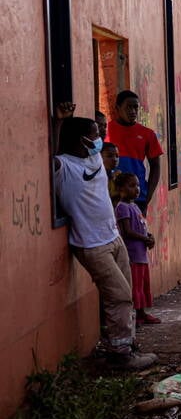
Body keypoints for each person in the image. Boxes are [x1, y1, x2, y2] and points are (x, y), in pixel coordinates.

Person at [52, 103, 157, 370]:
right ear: (80, 140)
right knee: (120, 295)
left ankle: (126, 344)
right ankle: (120, 355)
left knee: (125, 295)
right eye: (94, 134)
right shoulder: (63, 166)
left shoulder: (94, 159)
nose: (99, 138)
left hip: (113, 238)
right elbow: (50, 152)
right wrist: (59, 123)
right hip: (91, 244)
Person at [106, 90, 163, 213]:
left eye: (135, 107)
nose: (133, 111)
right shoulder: (106, 130)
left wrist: (148, 196)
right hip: (110, 195)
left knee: (137, 229)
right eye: (128, 107)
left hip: (137, 197)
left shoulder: (147, 134)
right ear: (117, 108)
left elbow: (156, 166)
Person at [114, 173, 159, 325]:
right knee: (135, 285)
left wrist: (149, 237)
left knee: (143, 284)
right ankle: (137, 315)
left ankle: (142, 312)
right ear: (120, 189)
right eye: (132, 186)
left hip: (141, 253)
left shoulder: (134, 206)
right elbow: (127, 231)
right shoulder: (122, 208)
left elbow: (141, 227)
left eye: (137, 185)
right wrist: (144, 238)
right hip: (132, 254)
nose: (137, 189)